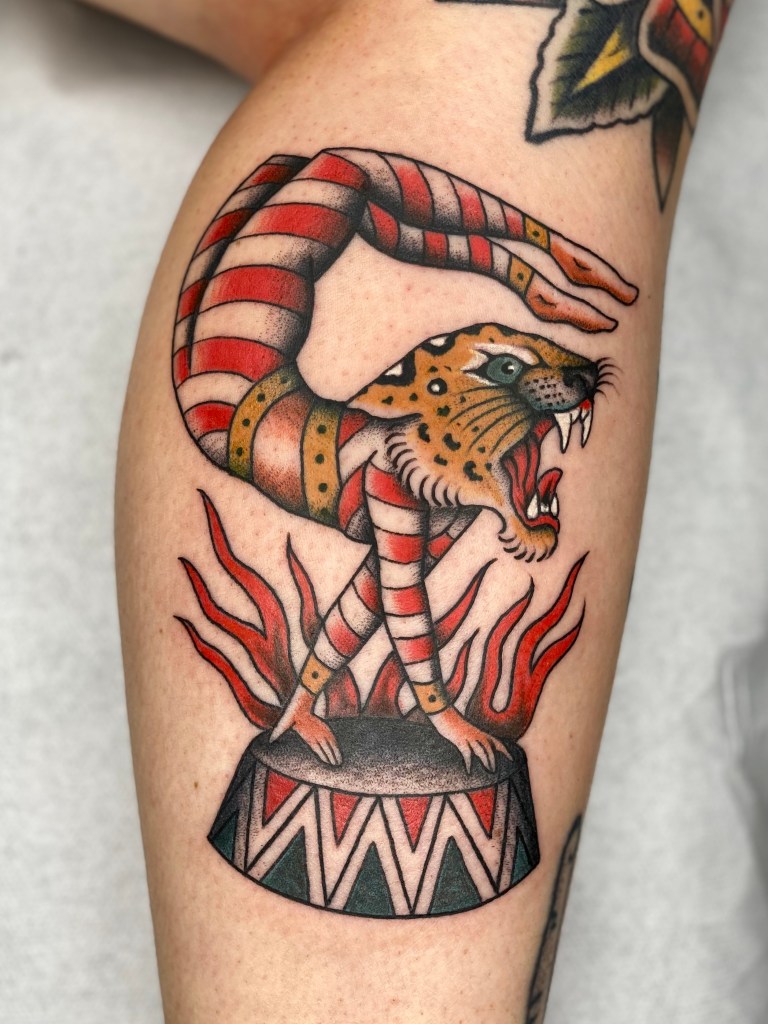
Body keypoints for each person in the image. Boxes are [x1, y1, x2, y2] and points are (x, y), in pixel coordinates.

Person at [104, 0, 735, 1020]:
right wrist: (439, 714)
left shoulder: (433, 489)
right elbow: (402, 609)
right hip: (235, 393)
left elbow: (361, 603)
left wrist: (304, 699)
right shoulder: (402, 472)